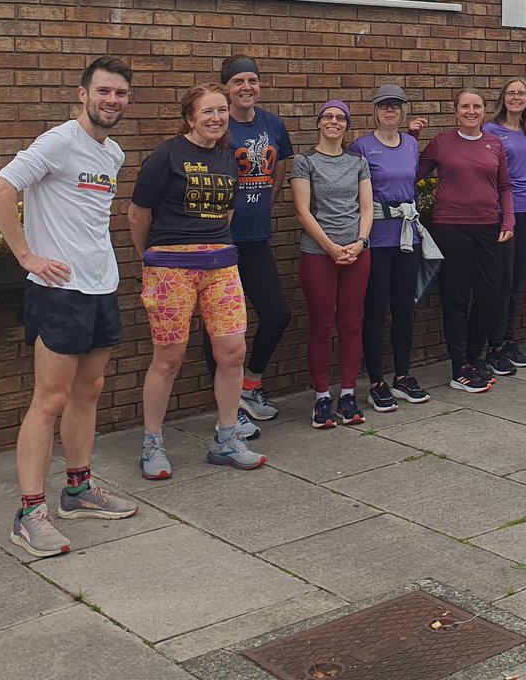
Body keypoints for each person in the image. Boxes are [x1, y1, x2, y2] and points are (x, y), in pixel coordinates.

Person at [0, 57, 139, 558]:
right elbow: (0, 189)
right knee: (49, 400)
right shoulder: (57, 141)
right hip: (58, 290)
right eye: (103, 91)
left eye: (119, 93)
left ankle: (78, 489)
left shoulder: (113, 153)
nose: (111, 100)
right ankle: (30, 512)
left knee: (88, 392)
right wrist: (27, 256)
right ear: (82, 93)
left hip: (100, 286)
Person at [129, 84, 266, 478]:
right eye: (207, 111)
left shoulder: (227, 159)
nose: (216, 118)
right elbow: (139, 214)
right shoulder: (166, 155)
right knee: (168, 359)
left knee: (232, 353)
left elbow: (226, 214)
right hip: (170, 268)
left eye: (221, 111)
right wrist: (150, 258)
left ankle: (226, 438)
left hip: (221, 265)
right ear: (190, 116)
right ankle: (152, 443)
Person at [202, 55, 293, 427]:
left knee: (277, 314)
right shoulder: (218, 126)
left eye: (252, 80)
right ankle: (229, 410)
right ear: (226, 86)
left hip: (256, 239)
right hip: (221, 242)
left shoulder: (272, 123)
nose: (246, 87)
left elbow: (281, 164)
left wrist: (261, 203)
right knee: (220, 328)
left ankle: (250, 384)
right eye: (238, 81)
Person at [418, 89, 514, 392]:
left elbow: (504, 186)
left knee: (490, 295)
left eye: (476, 106)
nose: (470, 111)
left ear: (484, 111)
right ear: (455, 111)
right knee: (456, 299)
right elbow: (412, 174)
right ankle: (459, 365)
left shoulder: (494, 143)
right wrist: (409, 137)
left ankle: (475, 356)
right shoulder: (441, 143)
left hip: (488, 227)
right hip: (450, 227)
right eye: (464, 107)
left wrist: (508, 218)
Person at [291, 100, 374, 429]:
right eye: (328, 116)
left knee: (353, 323)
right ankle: (322, 398)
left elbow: (366, 207)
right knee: (322, 326)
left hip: (356, 254)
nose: (334, 122)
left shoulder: (357, 161)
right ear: (319, 122)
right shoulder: (305, 161)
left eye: (341, 118)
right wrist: (330, 247)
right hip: (318, 254)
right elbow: (303, 210)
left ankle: (349, 393)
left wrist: (360, 242)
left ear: (347, 125)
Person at [349, 84, 431, 411]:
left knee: (405, 308)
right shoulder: (362, 147)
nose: (390, 111)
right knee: (376, 310)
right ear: (375, 110)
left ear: (403, 110)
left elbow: (411, 183)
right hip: (377, 239)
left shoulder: (411, 144)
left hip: (407, 238)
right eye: (384, 106)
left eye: (396, 106)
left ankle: (402, 375)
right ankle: (376, 380)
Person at [484, 78, 526, 373]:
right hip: (503, 212)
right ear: (502, 98)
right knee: (501, 281)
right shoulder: (490, 130)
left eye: (521, 93)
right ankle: (493, 346)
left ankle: (508, 341)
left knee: (517, 280)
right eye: (511, 93)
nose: (516, 97)